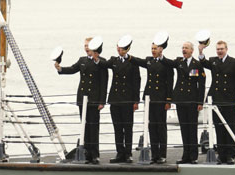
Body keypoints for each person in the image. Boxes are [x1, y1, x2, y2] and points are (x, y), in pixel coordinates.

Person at [55, 37, 108, 164]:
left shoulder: (102, 62)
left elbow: (104, 82)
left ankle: (95, 154)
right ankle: (86, 152)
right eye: (85, 45)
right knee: (84, 126)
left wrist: (102, 101)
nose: (86, 48)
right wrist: (60, 69)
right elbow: (73, 69)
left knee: (93, 127)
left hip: (94, 99)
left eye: (88, 45)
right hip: (82, 98)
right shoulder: (82, 60)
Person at [199, 40, 235, 165]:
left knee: (229, 127)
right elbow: (203, 62)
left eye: (222, 49)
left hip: (229, 99)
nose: (219, 51)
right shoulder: (213, 61)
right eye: (218, 49)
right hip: (216, 99)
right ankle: (221, 155)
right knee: (219, 128)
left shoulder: (234, 62)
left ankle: (230, 155)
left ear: (226, 49)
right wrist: (201, 51)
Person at [161, 42, 206, 164]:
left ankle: (193, 156)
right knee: (184, 128)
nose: (184, 50)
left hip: (192, 100)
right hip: (181, 100)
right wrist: (161, 55)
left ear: (192, 51)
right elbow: (168, 63)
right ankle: (185, 155)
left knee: (192, 129)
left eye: (186, 48)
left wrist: (200, 102)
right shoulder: (179, 62)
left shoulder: (197, 65)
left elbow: (201, 85)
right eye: (183, 48)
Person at [99, 35, 141, 163]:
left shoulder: (133, 63)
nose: (119, 50)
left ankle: (128, 153)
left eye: (122, 48)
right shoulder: (113, 61)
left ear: (127, 49)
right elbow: (103, 64)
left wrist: (136, 100)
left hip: (128, 99)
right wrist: (96, 57)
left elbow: (136, 81)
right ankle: (119, 152)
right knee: (117, 127)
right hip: (115, 99)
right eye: (118, 47)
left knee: (128, 127)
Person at [131, 42, 174, 164]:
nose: (153, 50)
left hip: (161, 98)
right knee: (152, 126)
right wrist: (128, 56)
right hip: (150, 98)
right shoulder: (149, 61)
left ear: (161, 49)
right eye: (152, 48)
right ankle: (154, 154)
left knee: (161, 127)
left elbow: (170, 83)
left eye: (155, 48)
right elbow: (138, 61)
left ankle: (162, 154)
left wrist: (168, 100)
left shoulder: (166, 63)